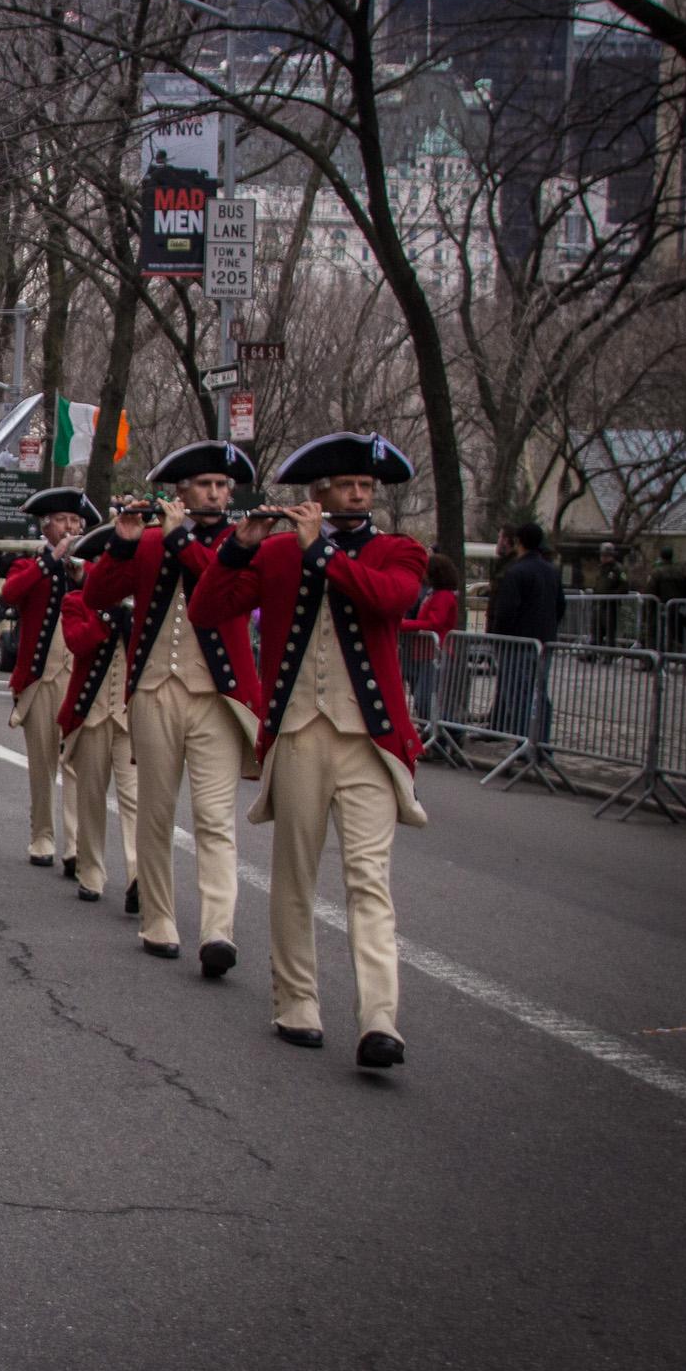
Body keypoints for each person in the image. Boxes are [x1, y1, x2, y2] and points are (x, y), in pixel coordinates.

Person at [190, 432, 427, 1069]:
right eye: (348, 486)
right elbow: (208, 610)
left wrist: (320, 549)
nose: (359, 495)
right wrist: (238, 551)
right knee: (295, 876)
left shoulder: (397, 551)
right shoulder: (274, 554)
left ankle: (380, 1020)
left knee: (369, 882)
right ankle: (296, 1001)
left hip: (370, 743)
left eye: (366, 487)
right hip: (296, 734)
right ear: (318, 494)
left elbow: (389, 601)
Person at [83, 443, 263, 975]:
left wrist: (182, 537)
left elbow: (222, 588)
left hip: (217, 697)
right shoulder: (152, 541)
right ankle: (158, 918)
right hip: (156, 689)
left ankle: (217, 930)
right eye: (205, 485)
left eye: (223, 486)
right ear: (180, 492)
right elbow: (97, 594)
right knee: (156, 812)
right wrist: (121, 544)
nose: (216, 493)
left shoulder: (243, 543)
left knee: (214, 818)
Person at [1, 488, 97, 873]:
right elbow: (11, 594)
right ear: (46, 526)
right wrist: (49, 562)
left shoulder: (91, 566)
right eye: (62, 520)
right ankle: (42, 834)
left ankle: (74, 844)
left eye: (75, 521)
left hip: (81, 675)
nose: (70, 527)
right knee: (43, 762)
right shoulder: (28, 565)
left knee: (78, 762)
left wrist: (83, 573)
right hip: (41, 677)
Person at [58, 524, 139, 908]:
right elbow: (78, 642)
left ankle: (140, 876)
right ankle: (91, 872)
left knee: (135, 799)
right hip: (91, 713)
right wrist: (109, 615)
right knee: (92, 797)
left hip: (132, 715)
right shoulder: (77, 602)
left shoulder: (143, 604)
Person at [487, 521, 563, 739]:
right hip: (544, 640)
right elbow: (560, 605)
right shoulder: (551, 571)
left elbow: (507, 609)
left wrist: (500, 636)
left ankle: (525, 742)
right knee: (539, 693)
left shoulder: (516, 572)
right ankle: (542, 741)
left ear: (518, 542)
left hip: (517, 642)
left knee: (518, 694)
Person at [403, 553, 461, 721]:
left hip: (435, 652)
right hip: (425, 652)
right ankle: (441, 732)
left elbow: (434, 623)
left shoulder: (443, 596)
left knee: (424, 700)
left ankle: (449, 731)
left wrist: (405, 624)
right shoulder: (434, 594)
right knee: (423, 699)